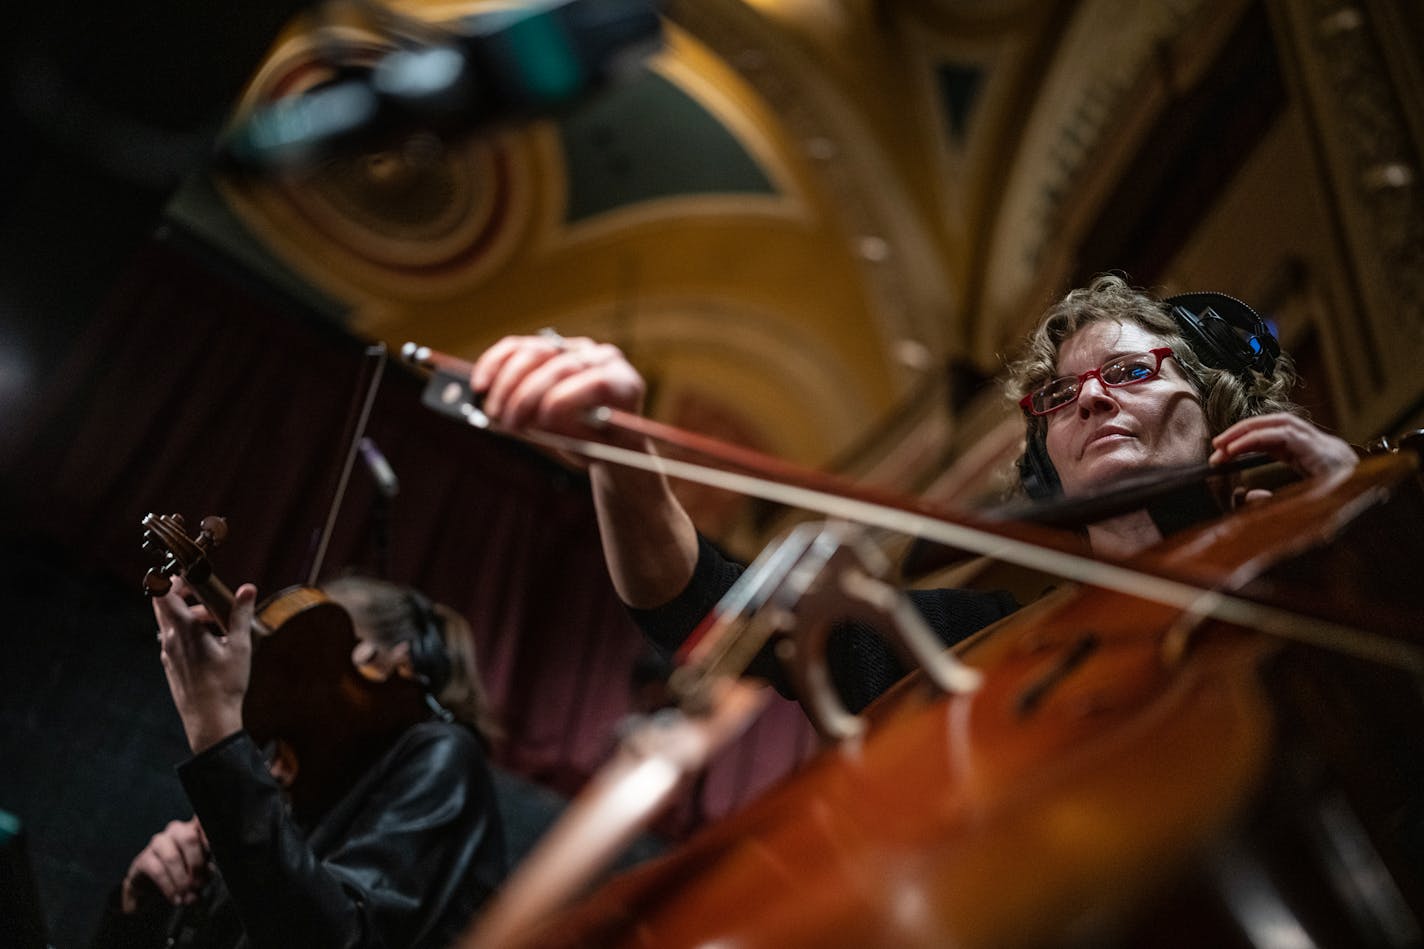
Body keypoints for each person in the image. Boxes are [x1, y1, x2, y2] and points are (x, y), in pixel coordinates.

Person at [467, 274, 1359, 712]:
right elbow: (709, 608)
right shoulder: (981, 648)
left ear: (1221, 408)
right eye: (1059, 393)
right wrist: (619, 455)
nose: (1088, 396)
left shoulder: (1336, 564)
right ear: (1046, 454)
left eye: (1130, 369)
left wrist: (1363, 527)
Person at [92, 575, 507, 949]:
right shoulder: (302, 784)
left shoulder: (443, 755)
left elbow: (337, 938)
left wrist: (217, 738)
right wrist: (139, 906)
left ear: (392, 662)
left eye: (314, 670)